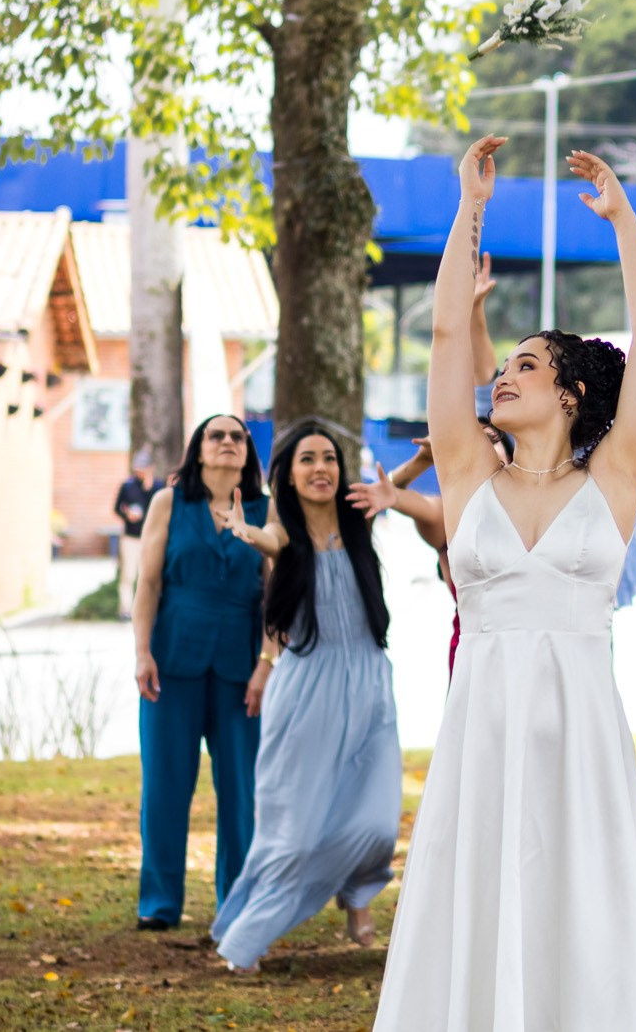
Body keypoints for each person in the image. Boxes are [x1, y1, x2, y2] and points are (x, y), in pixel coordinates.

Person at [373, 139, 636, 1032]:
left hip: (581, 742)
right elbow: (442, 335)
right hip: (485, 734)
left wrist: (622, 215)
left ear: (576, 393)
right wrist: (468, 208)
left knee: (577, 918)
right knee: (475, 908)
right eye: (503, 366)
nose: (502, 374)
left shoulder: (615, 479)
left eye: (527, 366)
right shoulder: (468, 473)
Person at [209, 419, 400, 971]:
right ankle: (247, 937)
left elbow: (397, 485)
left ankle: (359, 891)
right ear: (288, 477)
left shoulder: (358, 516)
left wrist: (427, 461)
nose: (321, 468)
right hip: (307, 690)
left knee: (377, 823)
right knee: (292, 833)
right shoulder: (283, 532)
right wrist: (246, 532)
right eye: (307, 460)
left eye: (329, 459)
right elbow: (269, 541)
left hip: (369, 682)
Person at [130, 415, 269, 931]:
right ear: (199, 448)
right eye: (218, 436)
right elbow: (147, 583)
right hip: (172, 659)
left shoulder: (265, 508)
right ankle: (159, 902)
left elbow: (276, 595)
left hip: (241, 666)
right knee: (165, 786)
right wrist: (142, 652)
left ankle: (236, 904)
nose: (228, 443)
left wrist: (266, 664)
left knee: (240, 792)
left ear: (247, 452)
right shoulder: (169, 503)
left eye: (238, 437)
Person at [347, 423, 512, 673]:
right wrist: (419, 465)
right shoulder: (449, 518)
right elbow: (404, 500)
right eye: (473, 442)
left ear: (511, 455)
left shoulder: (541, 510)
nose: (482, 450)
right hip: (474, 658)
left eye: (491, 439)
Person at [114, 448, 159, 620]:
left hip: (149, 538)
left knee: (146, 575)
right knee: (128, 574)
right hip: (130, 536)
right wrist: (127, 515)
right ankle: (125, 610)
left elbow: (157, 510)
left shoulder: (157, 486)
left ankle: (145, 609)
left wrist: (148, 489)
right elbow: (117, 508)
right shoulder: (127, 486)